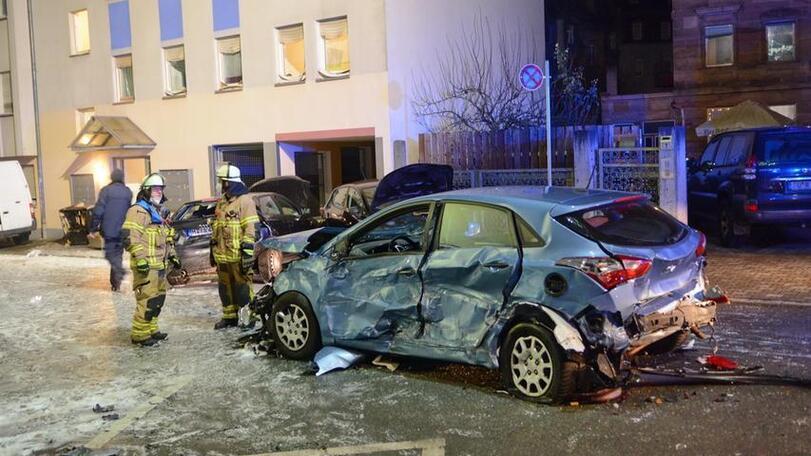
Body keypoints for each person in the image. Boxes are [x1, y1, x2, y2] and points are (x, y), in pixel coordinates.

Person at [121, 173, 182, 346]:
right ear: (146, 191)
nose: (159, 192)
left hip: (160, 266)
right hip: (146, 267)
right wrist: (140, 259)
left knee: (158, 299)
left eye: (161, 189)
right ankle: (140, 335)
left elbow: (165, 239)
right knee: (146, 300)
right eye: (155, 189)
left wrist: (173, 256)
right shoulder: (138, 211)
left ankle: (151, 329)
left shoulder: (157, 212)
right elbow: (130, 237)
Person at [210, 164, 259, 329]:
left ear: (230, 182)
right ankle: (229, 317)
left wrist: (247, 253)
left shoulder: (245, 201)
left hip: (237, 255)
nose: (220, 184)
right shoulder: (222, 202)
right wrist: (212, 250)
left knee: (242, 289)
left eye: (222, 181)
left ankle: (247, 318)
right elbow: (217, 228)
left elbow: (250, 229)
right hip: (222, 256)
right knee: (225, 289)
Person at [89, 169, 132, 291]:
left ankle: (119, 273)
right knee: (118, 254)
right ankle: (116, 283)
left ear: (112, 178)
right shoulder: (127, 192)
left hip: (109, 229)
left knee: (110, 254)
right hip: (123, 229)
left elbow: (98, 210)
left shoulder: (106, 191)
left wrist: (93, 228)